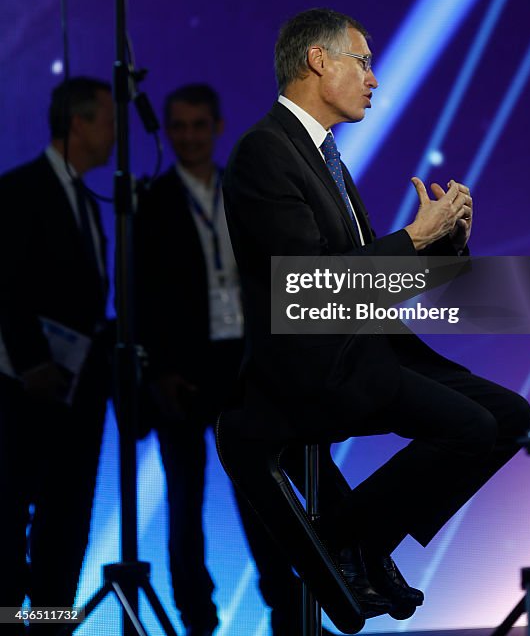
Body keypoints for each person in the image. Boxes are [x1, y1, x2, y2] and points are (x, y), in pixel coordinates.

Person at [222, 8, 530, 618]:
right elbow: (311, 289)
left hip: (367, 347)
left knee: (510, 414)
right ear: (318, 60)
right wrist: (414, 240)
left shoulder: (321, 155)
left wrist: (444, 242)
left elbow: (370, 282)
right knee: (469, 428)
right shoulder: (265, 151)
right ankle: (352, 543)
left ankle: (354, 542)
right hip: (315, 363)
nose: (373, 79)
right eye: (363, 61)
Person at [135, 84, 317, 636]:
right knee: (186, 505)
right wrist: (160, 371)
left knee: (265, 498)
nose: (187, 137)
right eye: (178, 127)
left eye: (198, 125)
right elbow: (141, 293)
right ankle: (196, 620)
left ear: (217, 127)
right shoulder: (152, 200)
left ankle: (288, 610)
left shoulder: (243, 187)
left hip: (246, 365)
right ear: (168, 131)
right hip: (184, 374)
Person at [0, 76, 115, 626]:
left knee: (66, 526)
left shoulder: (89, 203)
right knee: (10, 520)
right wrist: (32, 365)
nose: (116, 134)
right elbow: (5, 286)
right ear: (79, 122)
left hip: (79, 398)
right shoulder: (19, 189)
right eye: (108, 121)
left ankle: (48, 626)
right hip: (25, 393)